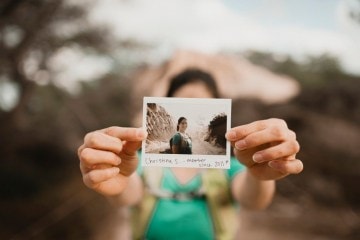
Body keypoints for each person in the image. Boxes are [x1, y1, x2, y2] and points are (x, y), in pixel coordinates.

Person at [77, 68, 303, 240]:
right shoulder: (145, 160)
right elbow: (128, 191)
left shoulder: (228, 166)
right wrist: (115, 175)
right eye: (184, 103)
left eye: (204, 105)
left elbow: (252, 199)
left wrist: (260, 173)